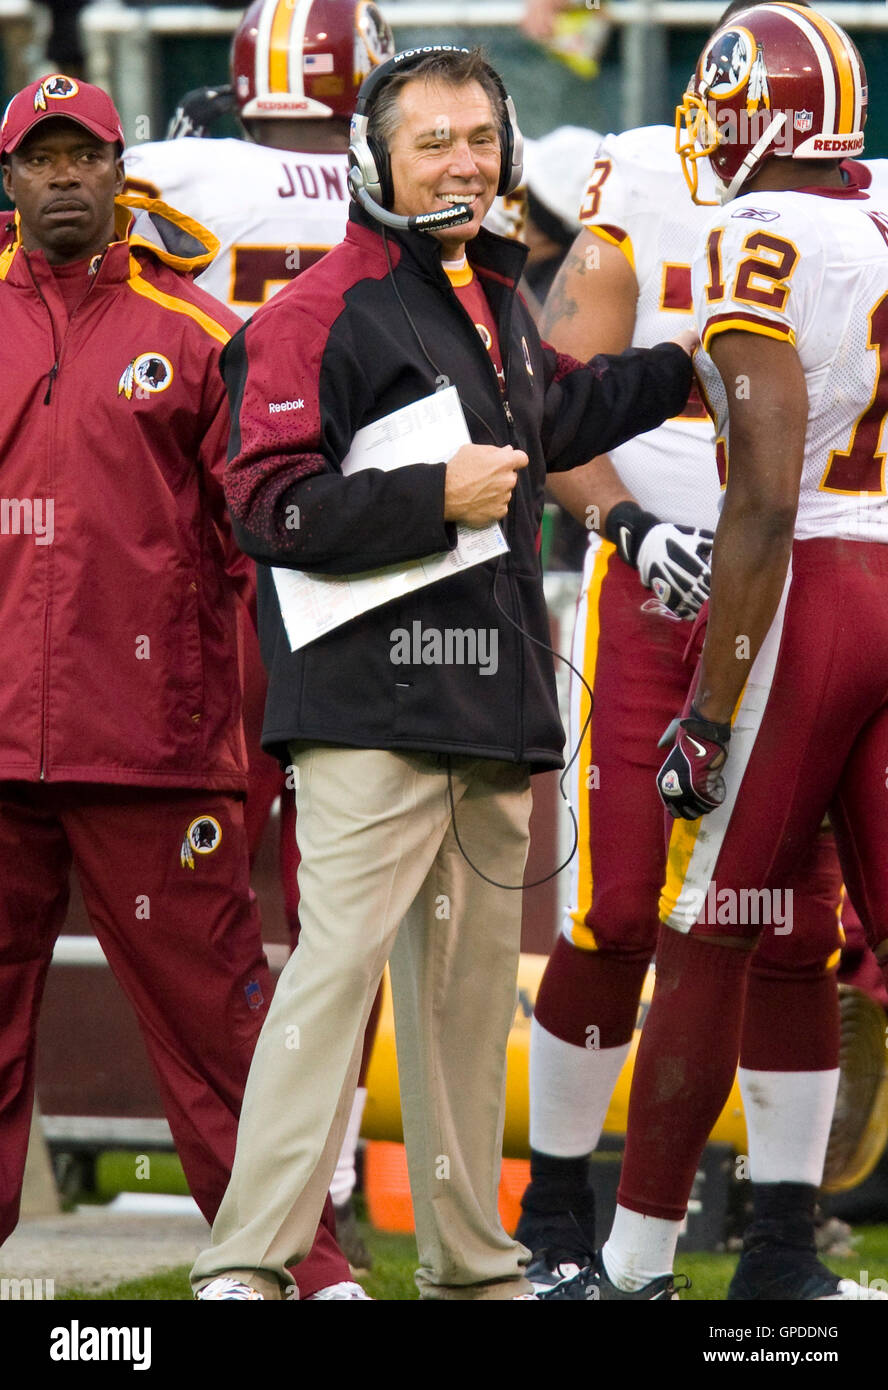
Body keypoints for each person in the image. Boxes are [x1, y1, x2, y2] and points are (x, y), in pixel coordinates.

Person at [189, 43, 696, 1301]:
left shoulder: (489, 297)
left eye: (480, 137)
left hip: (486, 700)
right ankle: (249, 1264)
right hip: (370, 706)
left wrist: (692, 370)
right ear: (373, 161)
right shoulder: (317, 313)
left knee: (469, 1016)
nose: (463, 160)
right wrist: (431, 496)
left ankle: (472, 1269)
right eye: (433, 141)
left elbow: (557, 414)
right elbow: (264, 507)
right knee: (332, 984)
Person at [0, 73, 353, 1300]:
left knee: (220, 1029)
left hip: (152, 748)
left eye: (81, 158)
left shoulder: (198, 330)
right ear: (8, 183)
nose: (61, 180)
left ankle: (299, 1268)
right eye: (38, 159)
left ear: (118, 174)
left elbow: (271, 524)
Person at [557, 2, 888, 1301]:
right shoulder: (872, 219)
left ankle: (635, 1263)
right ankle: (747, 1254)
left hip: (809, 595)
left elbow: (757, 497)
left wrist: (711, 701)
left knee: (711, 927)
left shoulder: (767, 231)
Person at [124, 0, 397, 1279]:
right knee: (349, 901)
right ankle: (325, 1175)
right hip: (368, 557)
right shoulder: (391, 170)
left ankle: (274, 1201)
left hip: (223, 560)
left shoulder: (185, 174)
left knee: (220, 899)